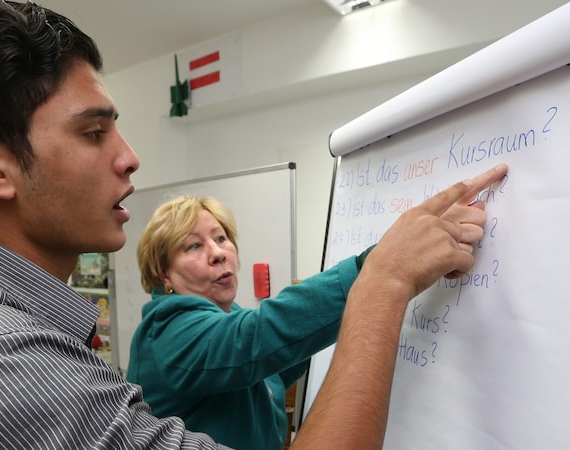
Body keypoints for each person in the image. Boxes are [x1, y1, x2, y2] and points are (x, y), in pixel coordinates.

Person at [0, 0, 508, 448]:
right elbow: (260, 334)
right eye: (94, 132)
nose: (129, 158)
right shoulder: (2, 366)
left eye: (222, 239)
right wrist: (382, 278)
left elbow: (272, 350)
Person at [126, 176, 502, 450]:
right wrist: (380, 267)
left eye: (221, 238)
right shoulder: (166, 329)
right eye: (193, 246)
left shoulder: (227, 318)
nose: (218, 251)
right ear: (163, 272)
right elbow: (252, 339)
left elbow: (273, 365)